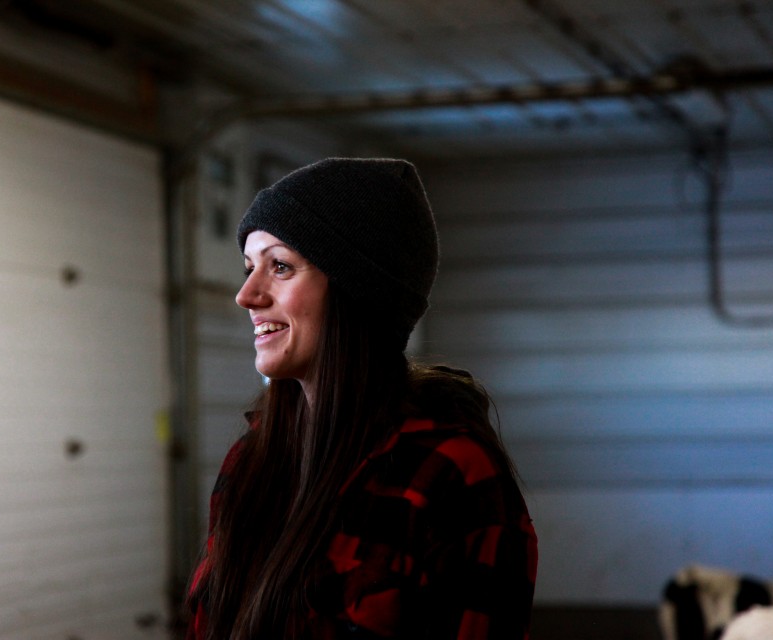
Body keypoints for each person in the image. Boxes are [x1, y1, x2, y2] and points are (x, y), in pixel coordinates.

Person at [185, 157, 537, 640]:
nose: (247, 295)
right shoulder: (251, 461)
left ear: (357, 291)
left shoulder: (449, 475)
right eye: (250, 268)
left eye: (280, 267)